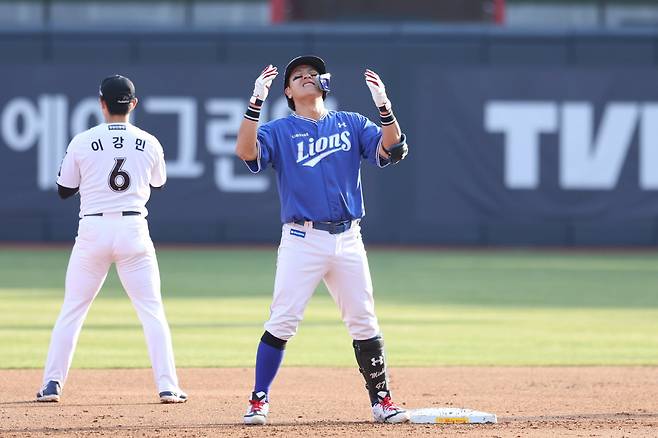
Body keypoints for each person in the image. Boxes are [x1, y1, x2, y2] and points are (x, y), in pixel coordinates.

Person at [235, 56, 409, 425]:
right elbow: (247, 152)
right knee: (283, 320)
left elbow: (392, 148)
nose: (306, 77)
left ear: (324, 83)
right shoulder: (279, 130)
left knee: (364, 321)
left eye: (313, 74)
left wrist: (384, 107)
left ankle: (382, 401)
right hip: (303, 238)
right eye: (297, 76)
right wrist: (255, 102)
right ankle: (258, 399)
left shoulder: (351, 123)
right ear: (287, 91)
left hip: (348, 237)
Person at [36, 75, 187, 404]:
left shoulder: (83, 140)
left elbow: (64, 190)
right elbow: (159, 183)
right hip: (134, 229)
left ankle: (51, 384)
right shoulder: (149, 141)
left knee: (73, 309)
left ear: (101, 103)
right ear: (133, 104)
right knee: (152, 311)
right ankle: (168, 386)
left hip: (93, 230)